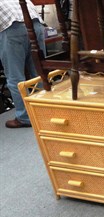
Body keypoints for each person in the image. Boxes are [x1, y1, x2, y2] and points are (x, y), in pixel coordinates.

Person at [0, 0, 46, 128]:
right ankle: (44, 112)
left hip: (12, 28)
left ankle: (24, 117)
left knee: (15, 77)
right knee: (37, 73)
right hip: (36, 25)